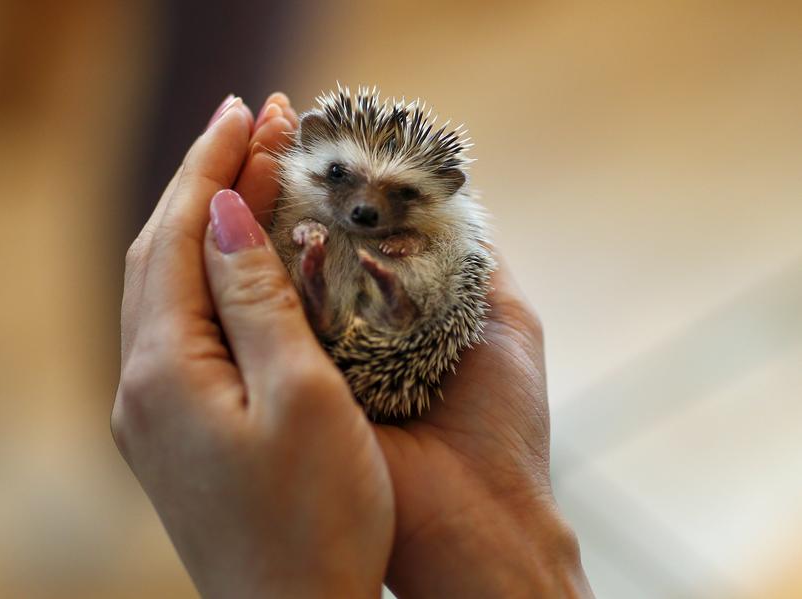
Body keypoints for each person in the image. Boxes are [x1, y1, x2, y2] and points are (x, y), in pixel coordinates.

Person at [111, 92, 595, 598]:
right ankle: (351, 297)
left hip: (398, 323)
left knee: (421, 280)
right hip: (366, 311)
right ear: (312, 147)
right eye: (341, 176)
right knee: (305, 266)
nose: (366, 206)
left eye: (403, 195)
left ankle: (373, 300)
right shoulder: (302, 194)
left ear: (446, 193)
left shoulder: (441, 233)